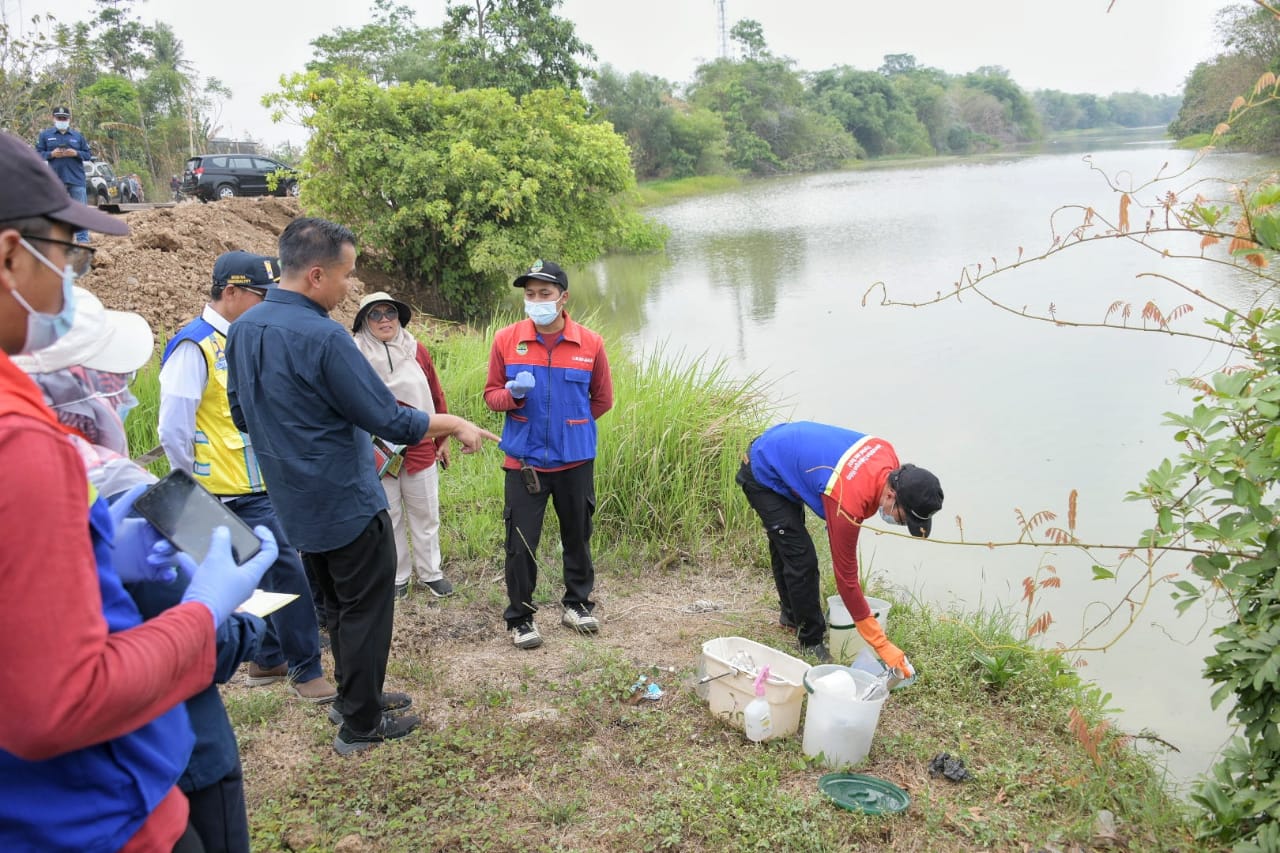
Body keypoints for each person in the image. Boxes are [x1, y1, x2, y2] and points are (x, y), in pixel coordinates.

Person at [0, 129, 279, 851]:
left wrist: (105, 560)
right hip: (92, 813)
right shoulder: (27, 445)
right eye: (67, 254)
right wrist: (206, 615)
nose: (67, 275)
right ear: (10, 254)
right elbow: (58, 701)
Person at [225, 216, 498, 755]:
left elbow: (239, 414)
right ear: (318, 275)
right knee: (365, 612)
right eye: (348, 276)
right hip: (347, 501)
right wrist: (454, 423)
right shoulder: (323, 335)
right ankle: (360, 724)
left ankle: (356, 696)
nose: (351, 287)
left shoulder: (244, 328)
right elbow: (391, 420)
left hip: (295, 502)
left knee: (336, 607)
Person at [159, 250, 337, 703]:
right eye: (262, 295)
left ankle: (267, 656)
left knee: (259, 576)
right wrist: (191, 488)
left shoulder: (247, 337)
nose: (268, 304)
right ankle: (306, 668)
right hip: (219, 490)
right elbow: (173, 427)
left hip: (260, 483)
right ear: (231, 292)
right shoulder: (194, 345)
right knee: (287, 570)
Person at [736, 421, 944, 670]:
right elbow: (846, 580)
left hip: (787, 454)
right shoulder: (848, 500)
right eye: (903, 518)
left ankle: (792, 616)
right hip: (764, 468)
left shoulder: (887, 455)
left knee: (789, 542)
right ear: (891, 495)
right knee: (801, 558)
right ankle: (810, 641)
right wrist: (881, 644)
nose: (899, 523)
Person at [483, 259, 614, 650]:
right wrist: (513, 396)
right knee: (520, 542)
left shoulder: (590, 343)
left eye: (544, 293)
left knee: (578, 536)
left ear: (563, 297)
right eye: (529, 294)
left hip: (575, 461)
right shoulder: (507, 340)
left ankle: (577, 603)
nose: (536, 300)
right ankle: (521, 618)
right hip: (525, 462)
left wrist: (570, 426)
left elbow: (602, 400)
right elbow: (492, 396)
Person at [352, 291, 455, 600]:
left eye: (390, 313)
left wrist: (443, 437)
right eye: (376, 315)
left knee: (426, 512)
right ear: (364, 322)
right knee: (390, 515)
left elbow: (435, 395)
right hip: (377, 451)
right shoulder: (354, 354)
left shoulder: (416, 350)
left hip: (420, 444)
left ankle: (431, 572)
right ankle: (398, 576)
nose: (385, 320)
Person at [33, 105, 94, 243]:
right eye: (59, 118)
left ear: (69, 119)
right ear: (53, 118)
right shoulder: (45, 135)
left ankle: (83, 240)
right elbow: (36, 154)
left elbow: (88, 155)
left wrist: (76, 153)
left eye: (64, 118)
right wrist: (51, 154)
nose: (62, 120)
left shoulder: (78, 136)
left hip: (76, 178)